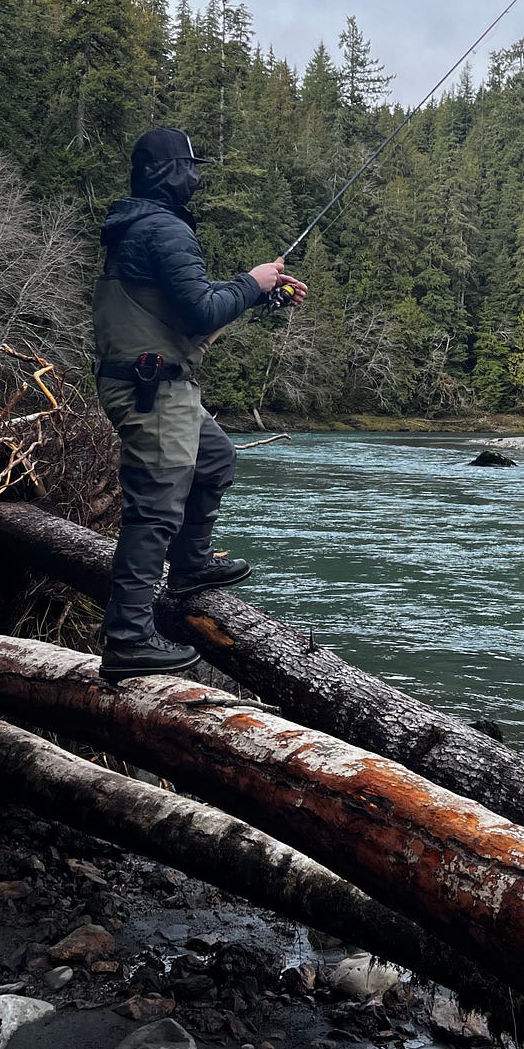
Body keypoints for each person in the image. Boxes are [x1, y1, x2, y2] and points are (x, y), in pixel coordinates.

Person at [93, 127, 307, 682]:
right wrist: (254, 281)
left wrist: (262, 295)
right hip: (152, 388)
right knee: (156, 509)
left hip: (163, 383)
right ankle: (128, 639)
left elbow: (184, 309)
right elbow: (202, 312)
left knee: (214, 460)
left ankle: (189, 567)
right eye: (191, 166)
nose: (197, 176)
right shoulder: (162, 229)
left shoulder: (142, 227)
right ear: (170, 173)